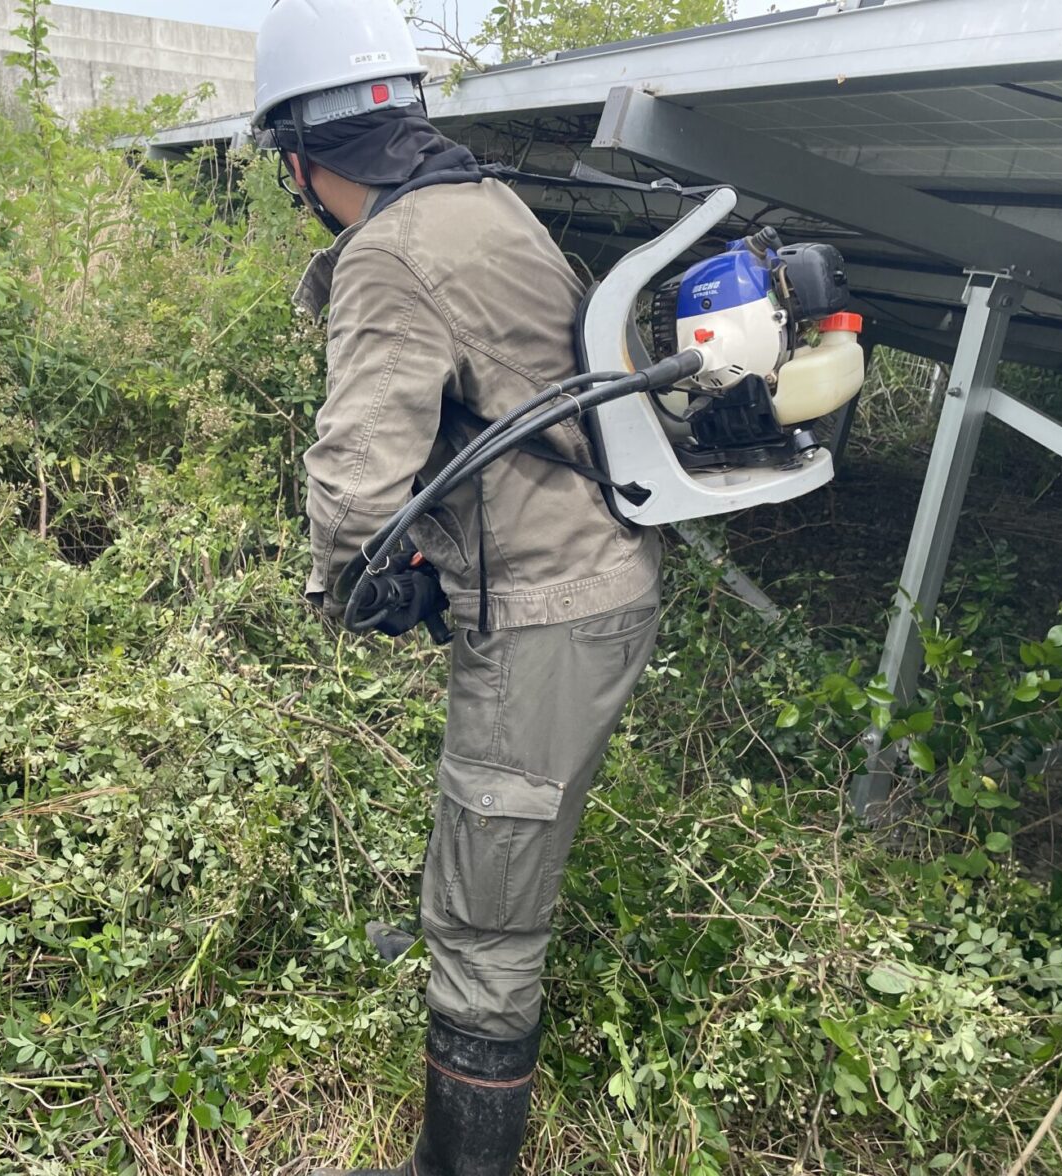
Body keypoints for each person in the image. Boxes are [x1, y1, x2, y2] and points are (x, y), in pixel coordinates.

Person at [252, 2, 664, 1173]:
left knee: (493, 890)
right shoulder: (483, 200)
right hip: (595, 565)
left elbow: (355, 472)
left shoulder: (386, 250)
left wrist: (347, 584)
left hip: (547, 602)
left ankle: (462, 1154)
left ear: (301, 157)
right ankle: (456, 922)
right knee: (498, 802)